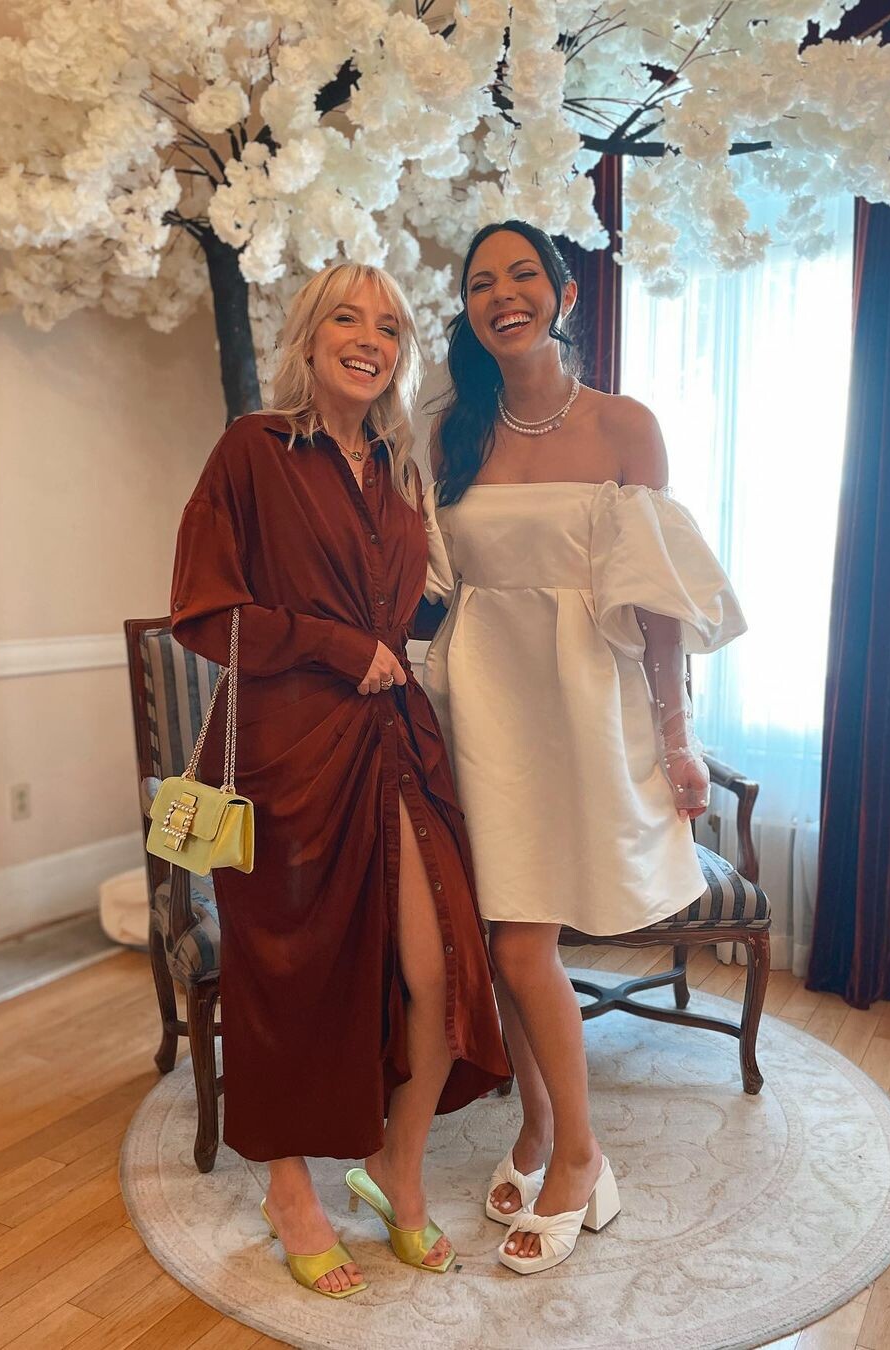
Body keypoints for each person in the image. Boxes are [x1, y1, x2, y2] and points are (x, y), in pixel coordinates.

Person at [170, 262, 509, 1298]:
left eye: (391, 327)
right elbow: (204, 609)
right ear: (310, 339)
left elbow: (420, 602)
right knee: (288, 976)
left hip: (395, 743)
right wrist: (330, 643)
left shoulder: (404, 470)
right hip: (286, 754)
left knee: (442, 968)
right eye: (349, 320)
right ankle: (288, 1193)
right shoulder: (254, 449)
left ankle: (397, 1166)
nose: (371, 339)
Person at [422, 221, 747, 1275]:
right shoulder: (455, 431)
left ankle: (579, 1155)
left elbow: (657, 601)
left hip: (585, 710)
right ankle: (537, 1132)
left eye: (523, 274)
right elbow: (433, 583)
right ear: (467, 308)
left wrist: (678, 736)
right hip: (483, 706)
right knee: (505, 938)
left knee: (525, 945)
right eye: (481, 282)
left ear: (564, 294)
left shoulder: (624, 427)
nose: (502, 294)